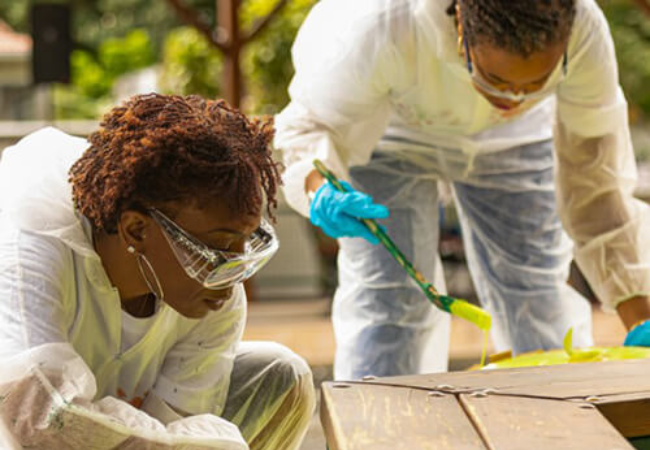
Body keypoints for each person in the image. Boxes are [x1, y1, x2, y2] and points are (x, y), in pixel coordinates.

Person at [274, 0, 650, 380]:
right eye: (496, 81)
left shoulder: (582, 27)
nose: (511, 100)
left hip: (516, 138)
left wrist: (638, 315)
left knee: (536, 296)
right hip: (390, 133)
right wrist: (318, 185)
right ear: (459, 30)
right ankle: (379, 430)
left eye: (536, 83)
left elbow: (596, 183)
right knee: (389, 298)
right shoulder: (381, 22)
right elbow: (311, 124)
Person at [0, 94, 315, 449]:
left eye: (245, 245)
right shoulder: (31, 247)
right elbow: (35, 422)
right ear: (136, 229)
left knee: (279, 376)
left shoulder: (212, 292)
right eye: (218, 248)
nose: (232, 277)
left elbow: (172, 429)